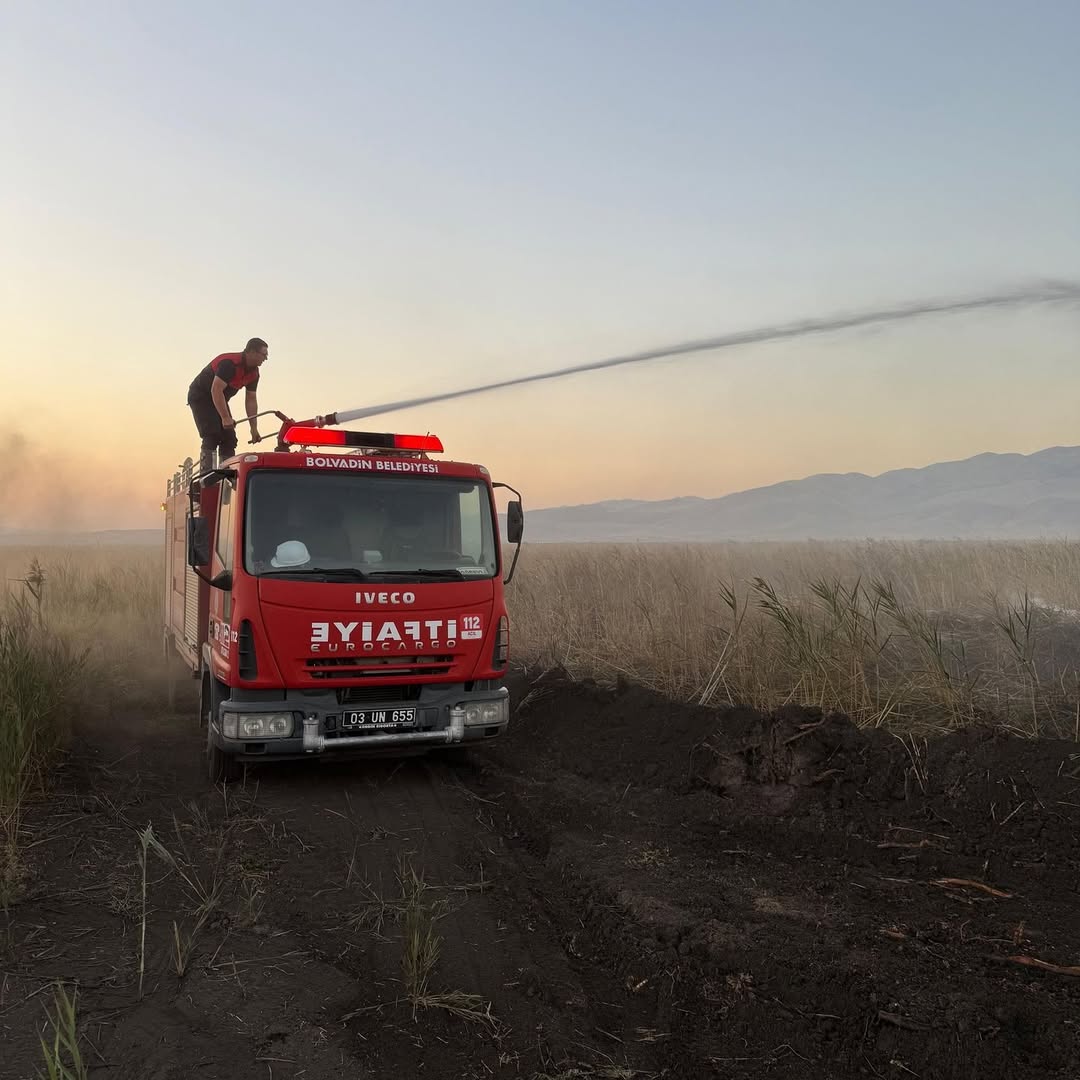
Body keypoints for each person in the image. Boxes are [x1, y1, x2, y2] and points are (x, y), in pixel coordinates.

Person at [187, 338, 268, 474]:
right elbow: (216, 389)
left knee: (229, 437)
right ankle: (207, 476)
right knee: (212, 433)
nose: (265, 359)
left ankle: (226, 475)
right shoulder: (229, 364)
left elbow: (251, 399)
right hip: (202, 396)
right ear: (252, 352)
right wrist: (225, 417)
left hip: (220, 398)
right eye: (263, 354)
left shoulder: (254, 374)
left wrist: (253, 428)